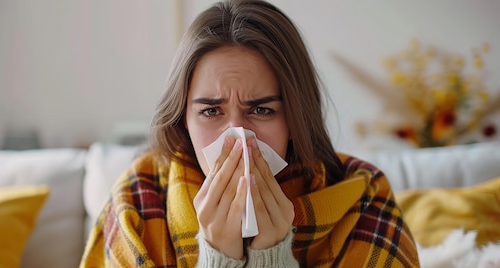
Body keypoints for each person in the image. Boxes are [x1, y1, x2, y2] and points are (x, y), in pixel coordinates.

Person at [80, 0, 420, 267]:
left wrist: (273, 259)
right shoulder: (137, 202)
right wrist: (217, 258)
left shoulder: (362, 193)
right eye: (211, 111)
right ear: (184, 118)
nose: (237, 136)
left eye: (261, 110)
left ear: (295, 117)